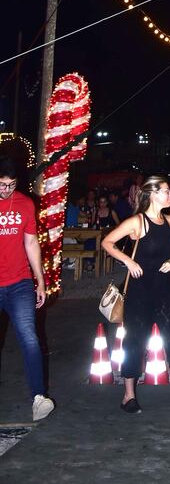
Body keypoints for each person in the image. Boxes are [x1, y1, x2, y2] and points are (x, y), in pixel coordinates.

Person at [102, 175, 170, 416]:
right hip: (140, 291)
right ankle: (128, 395)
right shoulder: (136, 222)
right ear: (152, 194)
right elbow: (108, 242)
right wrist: (128, 261)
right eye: (166, 191)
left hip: (165, 290)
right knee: (135, 342)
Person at [0, 156, 55, 422]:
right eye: (1, 184)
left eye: (11, 185)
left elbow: (31, 243)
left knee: (29, 337)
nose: (6, 190)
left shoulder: (25, 203)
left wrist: (40, 281)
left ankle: (38, 397)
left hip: (20, 282)